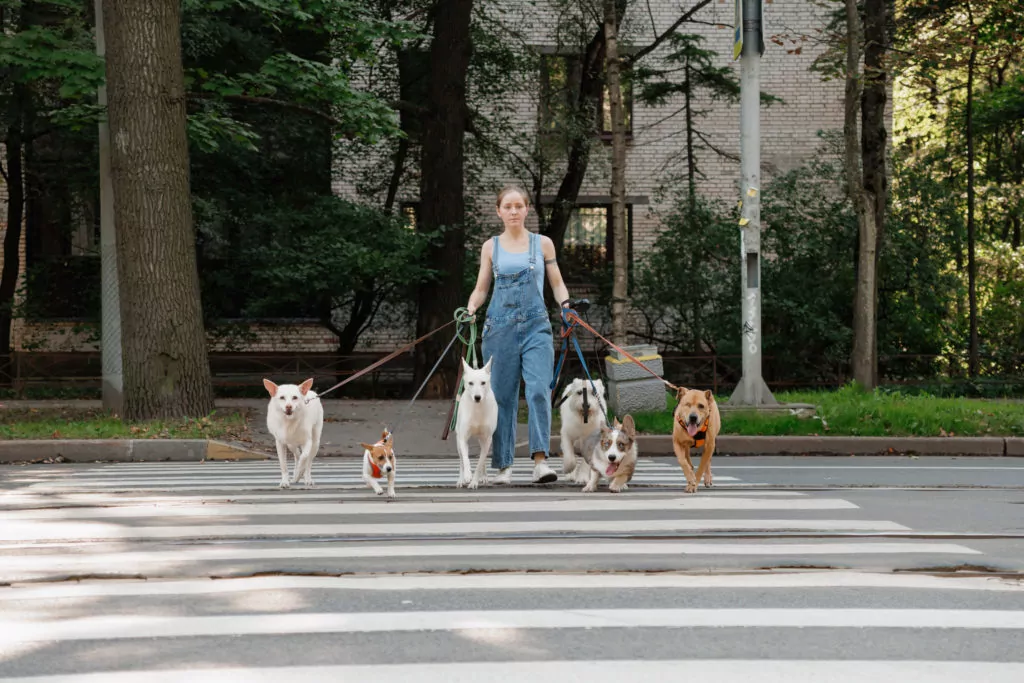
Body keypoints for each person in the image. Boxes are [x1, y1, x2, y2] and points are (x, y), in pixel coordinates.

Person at [466, 184, 571, 484]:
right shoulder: (491, 247)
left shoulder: (543, 244)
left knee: (539, 389)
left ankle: (540, 461)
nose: (513, 211)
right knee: (501, 397)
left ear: (527, 210)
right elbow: (482, 288)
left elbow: (557, 283)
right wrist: (471, 308)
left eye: (518, 206)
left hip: (536, 326)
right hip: (499, 329)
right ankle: (504, 466)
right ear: (499, 211)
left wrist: (566, 307)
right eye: (507, 207)